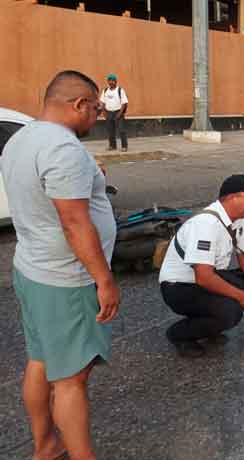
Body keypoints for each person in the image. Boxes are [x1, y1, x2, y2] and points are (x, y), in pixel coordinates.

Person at [1, 70, 118, 460]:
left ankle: (45, 446)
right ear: (79, 104)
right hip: (67, 279)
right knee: (71, 380)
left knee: (40, 359)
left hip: (31, 268)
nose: (99, 117)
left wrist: (89, 176)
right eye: (97, 109)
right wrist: (104, 279)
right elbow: (74, 222)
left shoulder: (23, 139)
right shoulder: (64, 149)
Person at [159, 174, 244, 358]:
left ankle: (209, 322)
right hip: (179, 287)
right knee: (231, 311)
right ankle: (180, 334)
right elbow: (204, 277)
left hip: (210, 278)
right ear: (231, 197)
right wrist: (242, 296)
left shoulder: (238, 219)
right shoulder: (206, 224)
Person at [99, 73, 128, 152]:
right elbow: (102, 102)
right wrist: (104, 112)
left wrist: (120, 113)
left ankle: (124, 146)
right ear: (108, 82)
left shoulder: (120, 90)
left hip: (118, 112)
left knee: (121, 130)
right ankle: (112, 146)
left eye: (112, 81)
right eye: (109, 81)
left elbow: (124, 103)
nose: (111, 82)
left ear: (116, 81)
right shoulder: (105, 91)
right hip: (109, 113)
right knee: (110, 130)